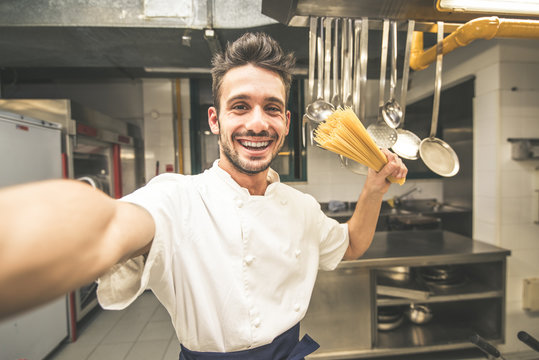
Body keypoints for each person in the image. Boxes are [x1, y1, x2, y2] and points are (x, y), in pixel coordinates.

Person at [0, 32, 406, 359]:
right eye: (240, 106)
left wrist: (372, 188)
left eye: (271, 108)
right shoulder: (177, 198)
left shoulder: (301, 208)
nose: (257, 123)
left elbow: (351, 245)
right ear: (216, 120)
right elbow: (105, 225)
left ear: (285, 121)